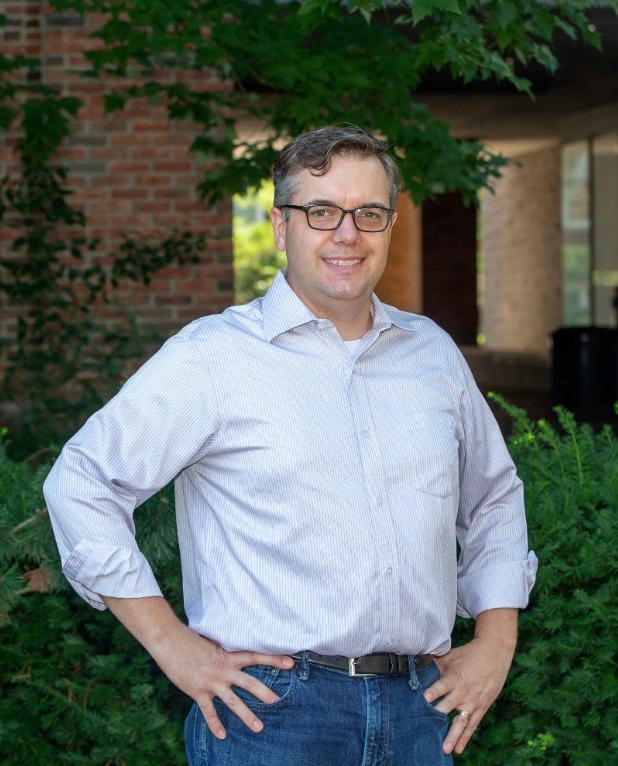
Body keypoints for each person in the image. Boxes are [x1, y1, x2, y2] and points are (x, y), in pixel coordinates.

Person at [43, 125, 537, 766]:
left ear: (389, 224)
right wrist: (171, 643)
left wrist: (496, 641)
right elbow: (82, 480)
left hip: (422, 712)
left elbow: (493, 494)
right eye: (322, 211)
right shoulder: (214, 357)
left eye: (369, 213)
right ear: (280, 227)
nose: (347, 234)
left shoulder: (432, 353)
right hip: (272, 719)